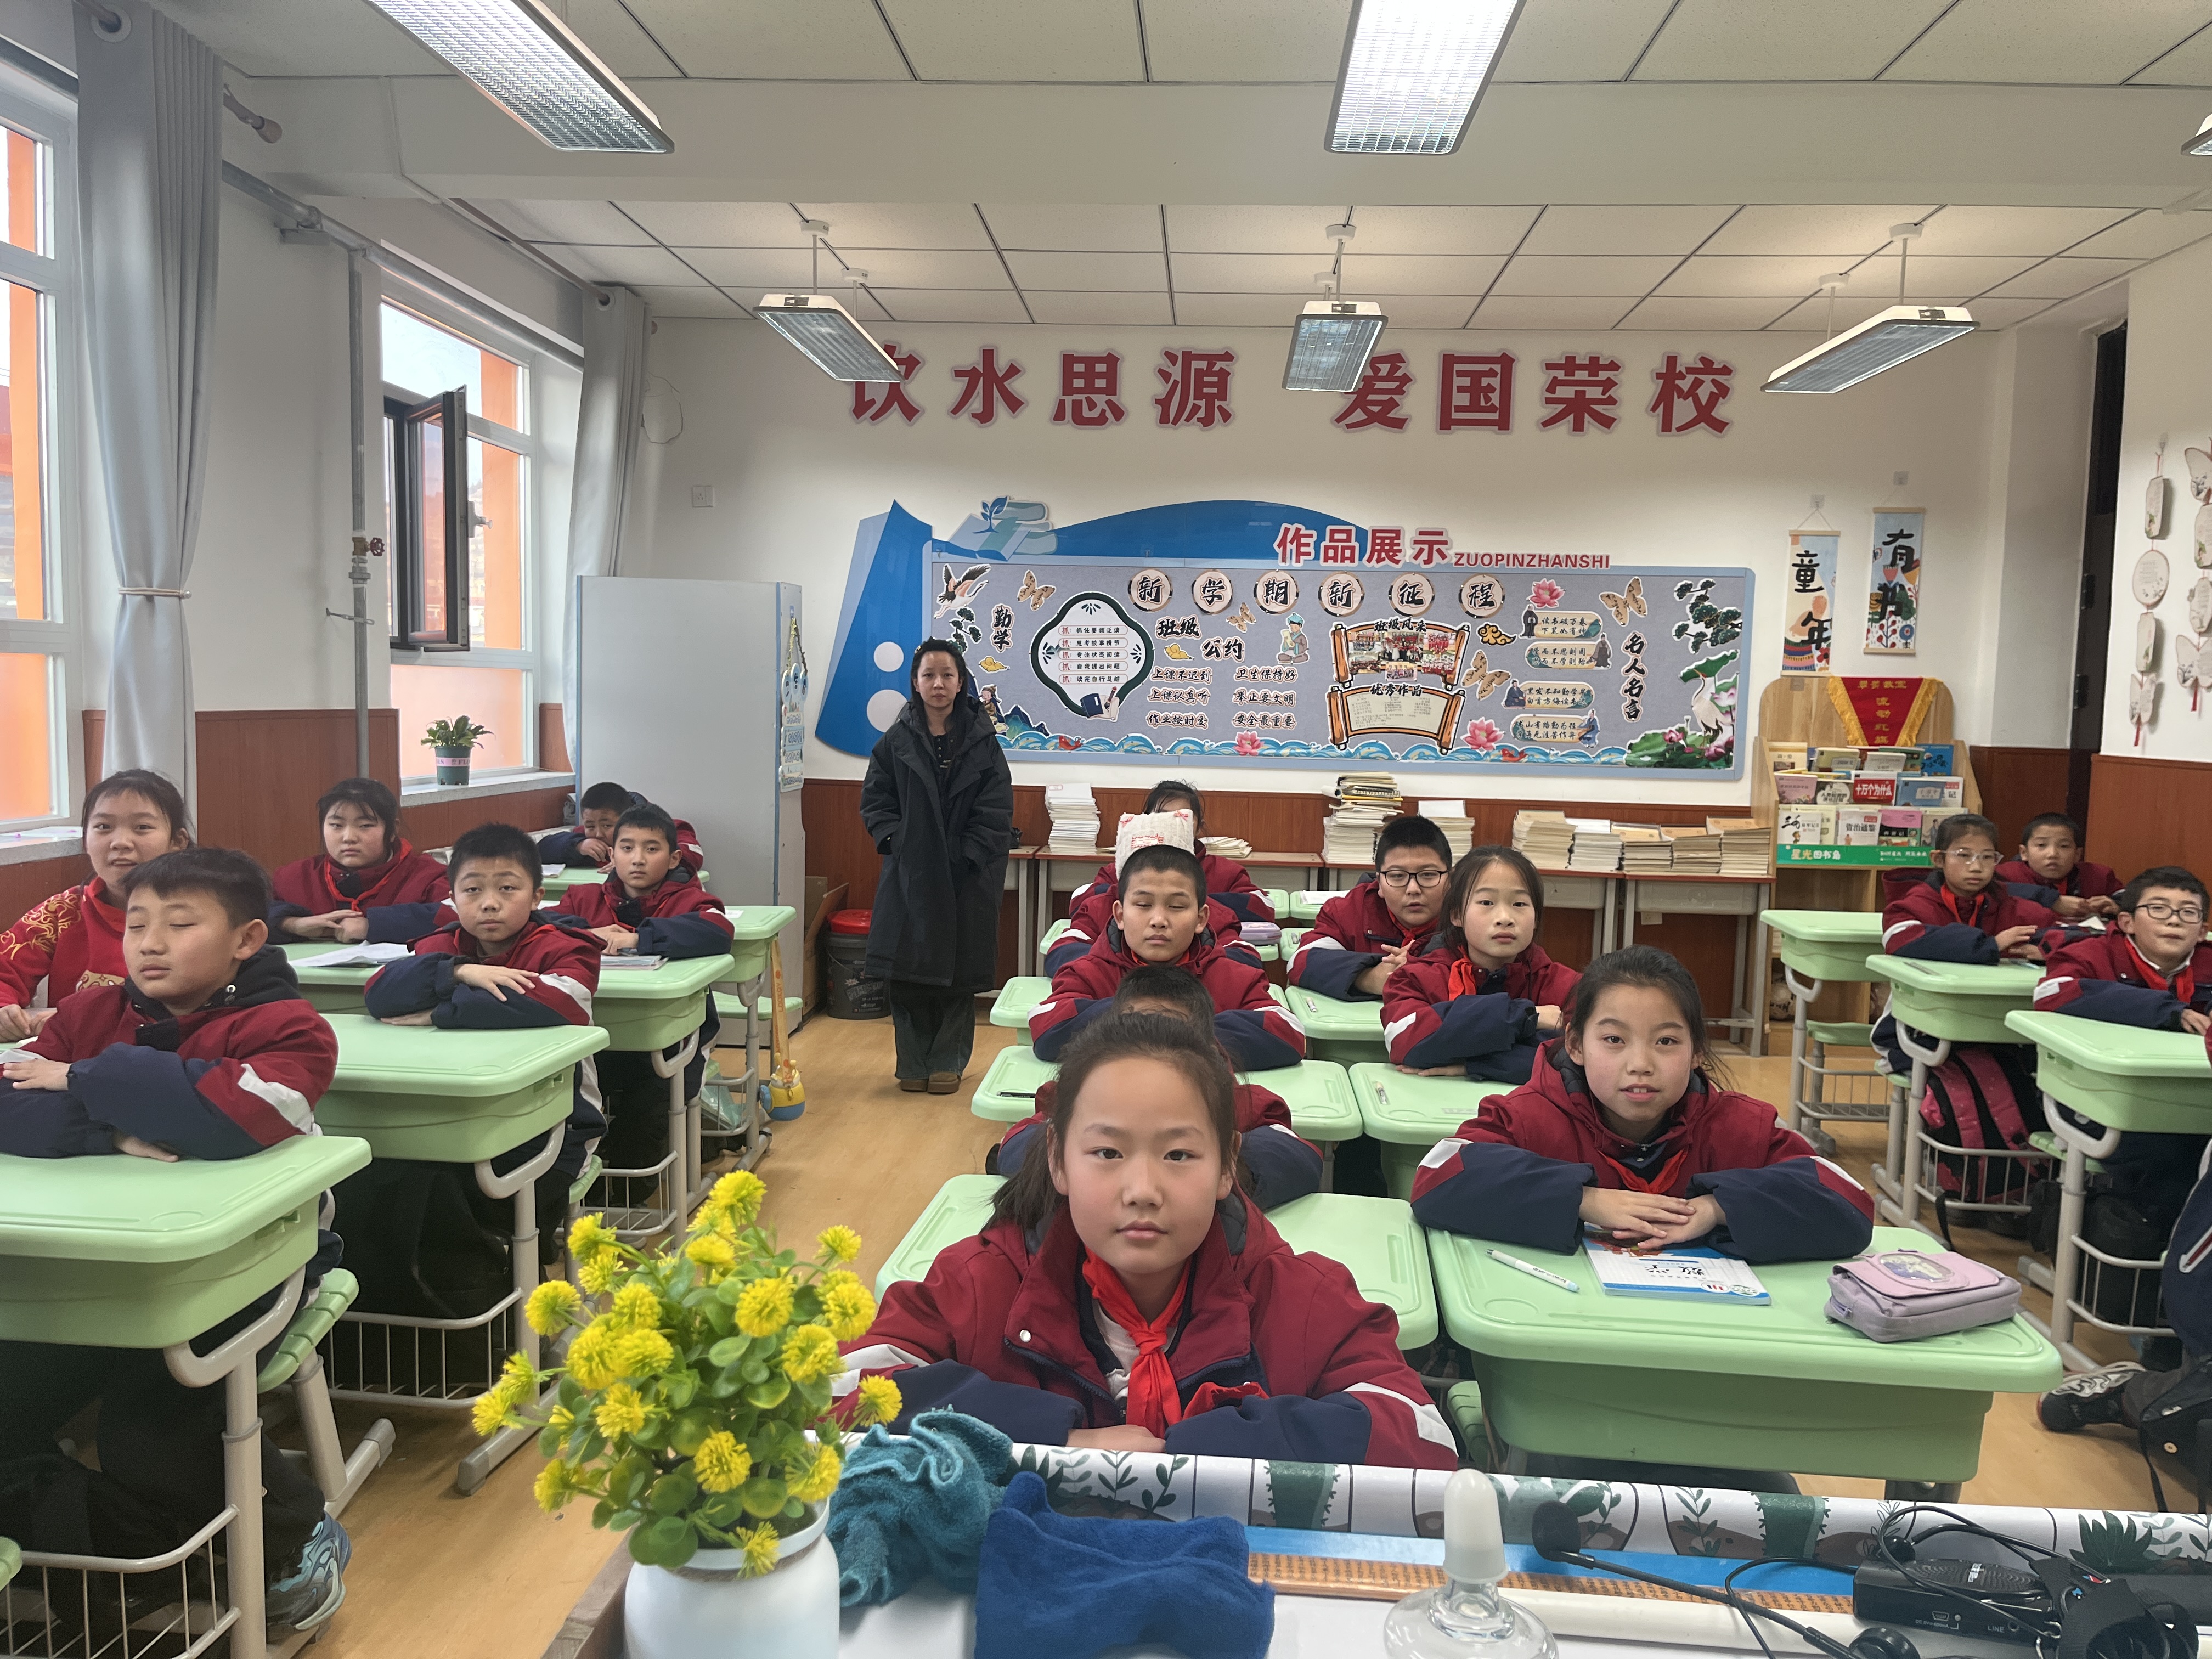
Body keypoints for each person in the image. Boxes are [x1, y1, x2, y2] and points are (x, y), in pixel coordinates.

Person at [836, 1012, 1457, 1468]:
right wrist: (1058, 1438)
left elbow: (1422, 1436)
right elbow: (835, 1393)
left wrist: (1187, 1452)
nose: (1142, 1190)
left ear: (1226, 1166)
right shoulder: (981, 1282)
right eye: (1107, 1153)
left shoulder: (1296, 1295)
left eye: (1178, 1155)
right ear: (1056, 1159)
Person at [0, 847, 348, 1634]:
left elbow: (233, 1119)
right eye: (136, 925)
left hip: (252, 1265)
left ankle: (294, 1534)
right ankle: (110, 1562)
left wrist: (83, 1079)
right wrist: (110, 1134)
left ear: (247, 938)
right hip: (89, 1259)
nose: (149, 944)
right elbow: (6, 1095)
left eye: (180, 925)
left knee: (153, 1428)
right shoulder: (88, 1013)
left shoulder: (290, 1029)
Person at [1410, 945, 1875, 1263]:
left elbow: (1848, 1202)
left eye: (1666, 1041)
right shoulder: (1530, 1116)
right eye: (1614, 1040)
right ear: (1575, 1045)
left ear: (1697, 1051)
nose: (1640, 1064)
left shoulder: (1739, 1126)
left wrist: (1717, 1209)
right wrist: (1584, 1200)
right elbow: (1437, 1177)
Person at [351, 823, 603, 1273]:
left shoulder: (564, 948)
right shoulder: (439, 947)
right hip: (454, 1115)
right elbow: (379, 995)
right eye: (472, 890)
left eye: (507, 888)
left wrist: (441, 1012)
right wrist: (459, 973)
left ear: (537, 896)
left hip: (555, 1126)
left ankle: (506, 1277)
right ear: (452, 898)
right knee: (398, 1183)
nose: (489, 903)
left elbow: (564, 1002)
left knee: (475, 1200)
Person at [993, 966, 1323, 1210]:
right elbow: (1017, 1142)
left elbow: (1297, 1155)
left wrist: (1200, 1178)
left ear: (1209, 1048)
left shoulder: (1232, 1098)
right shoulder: (1086, 1094)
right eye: (1135, 1029)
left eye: (1173, 1035)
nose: (1151, 1044)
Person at [551, 803, 733, 1199]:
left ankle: (625, 1194)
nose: (637, 859)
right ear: (611, 855)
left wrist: (638, 938)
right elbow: (545, 928)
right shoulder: (584, 898)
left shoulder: (688, 900)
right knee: (559, 1098)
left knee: (648, 1106)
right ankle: (574, 1190)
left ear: (674, 859)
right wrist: (590, 934)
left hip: (671, 1045)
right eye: (627, 848)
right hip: (595, 1044)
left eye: (652, 849)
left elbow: (718, 931)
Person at [860, 640, 1014, 1094]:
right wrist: (897, 840)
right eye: (929, 675)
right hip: (911, 872)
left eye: (947, 675)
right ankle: (912, 1063)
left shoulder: (983, 741)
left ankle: (947, 1060)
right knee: (906, 971)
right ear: (915, 682)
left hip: (966, 875)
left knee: (957, 975)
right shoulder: (896, 740)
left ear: (961, 682)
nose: (938, 684)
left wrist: (970, 854)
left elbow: (996, 808)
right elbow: (876, 800)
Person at [1030, 844, 1304, 1070]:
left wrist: (1161, 1027)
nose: (1159, 920)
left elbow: (1288, 1031)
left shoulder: (1233, 976)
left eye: (1176, 906)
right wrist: (1159, 1018)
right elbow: (1048, 1027)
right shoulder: (1088, 972)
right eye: (1143, 905)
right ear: (1120, 915)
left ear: (1201, 919)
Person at [0, 770, 190, 1040]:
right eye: (103, 827)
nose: (120, 843)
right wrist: (4, 1012)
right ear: (85, 842)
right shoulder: (64, 912)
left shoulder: (202, 914)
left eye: (142, 828)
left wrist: (79, 1019)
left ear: (177, 842)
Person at [1875, 811, 2057, 1075]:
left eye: (1987, 857)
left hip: (1999, 1030)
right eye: (1964, 855)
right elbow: (1898, 936)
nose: (1976, 867)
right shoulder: (1917, 904)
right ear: (1939, 859)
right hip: (1921, 1028)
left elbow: (2068, 935)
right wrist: (1991, 945)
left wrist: (2047, 950)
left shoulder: (2008, 905)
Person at [1382, 844, 1581, 1085]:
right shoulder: (1416, 979)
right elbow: (1405, 1042)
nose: (1505, 919)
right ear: (1456, 915)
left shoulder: (1570, 987)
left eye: (1519, 904)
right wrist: (1525, 1017)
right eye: (1487, 902)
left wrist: (1475, 1064)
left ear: (1536, 917)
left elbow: (1582, 1061)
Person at [1054, 781, 1273, 972]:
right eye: (1143, 902)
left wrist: (1193, 902)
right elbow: (1080, 910)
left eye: (1182, 818)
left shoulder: (1223, 873)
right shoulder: (1120, 872)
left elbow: (1261, 912)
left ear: (1199, 827)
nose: (1171, 823)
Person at [1288, 814, 1454, 1002]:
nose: (1413, 889)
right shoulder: (1351, 910)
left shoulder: (1469, 915)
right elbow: (1300, 961)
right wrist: (1370, 978)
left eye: (1428, 875)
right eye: (1397, 876)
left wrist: (1426, 967)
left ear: (1450, 879)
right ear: (1380, 882)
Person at [268, 777, 449, 945]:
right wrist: (291, 924)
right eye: (336, 825)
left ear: (393, 831)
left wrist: (371, 925)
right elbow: (256, 914)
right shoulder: (296, 877)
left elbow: (454, 914)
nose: (349, 838)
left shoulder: (427, 876)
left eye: (365, 826)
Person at [540, 781, 704, 878]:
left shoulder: (669, 828)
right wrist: (577, 846)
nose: (598, 834)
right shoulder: (585, 838)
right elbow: (540, 851)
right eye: (590, 826)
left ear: (626, 818)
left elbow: (694, 855)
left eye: (607, 826)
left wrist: (628, 861)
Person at [1997, 812, 2121, 919]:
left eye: (2064, 846)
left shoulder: (2098, 875)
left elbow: (2128, 899)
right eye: (2041, 845)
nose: (2053, 854)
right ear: (2024, 853)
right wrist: (2053, 901)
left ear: (2077, 854)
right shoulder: (2006, 874)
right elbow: (1993, 891)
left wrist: (2117, 907)